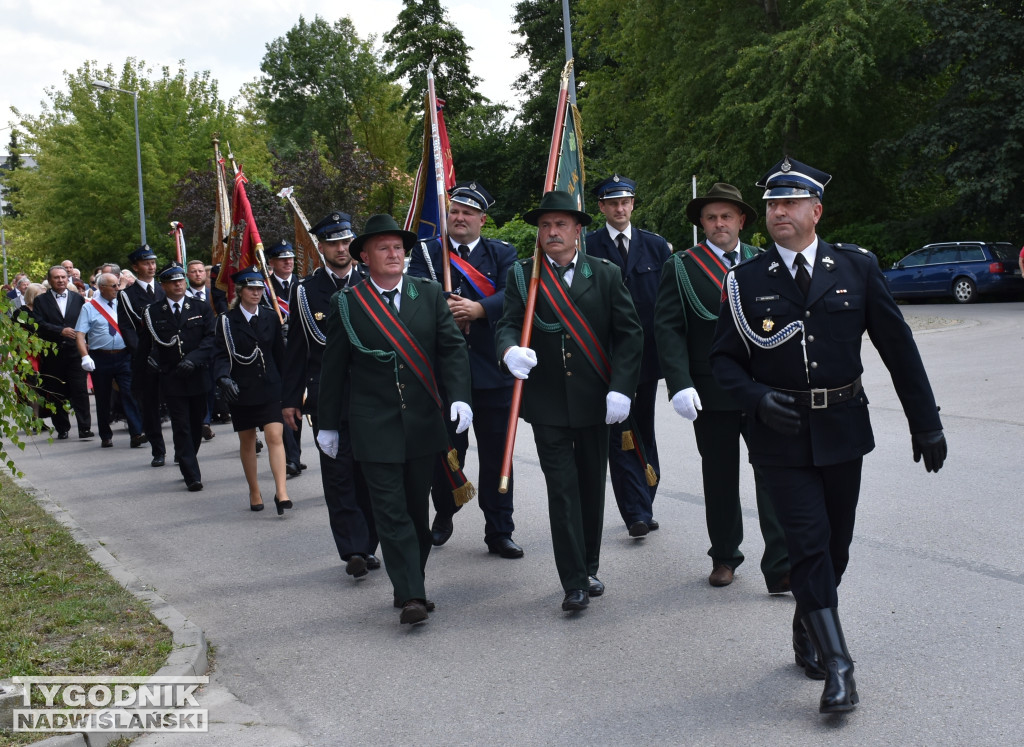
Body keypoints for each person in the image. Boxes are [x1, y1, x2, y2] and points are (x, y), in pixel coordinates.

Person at [709, 157, 948, 714]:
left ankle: (807, 624)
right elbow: (723, 361)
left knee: (835, 547)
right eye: (771, 205)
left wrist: (926, 421)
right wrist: (755, 398)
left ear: (816, 210)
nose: (778, 213)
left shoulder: (857, 268)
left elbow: (898, 349)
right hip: (779, 436)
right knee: (809, 545)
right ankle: (839, 667)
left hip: (843, 429)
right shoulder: (745, 280)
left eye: (790, 203)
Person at [317, 214, 473, 625]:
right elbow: (333, 367)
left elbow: (452, 349)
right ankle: (411, 595)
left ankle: (410, 581)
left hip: (423, 422)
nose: (394, 254)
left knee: (416, 512)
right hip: (373, 425)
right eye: (384, 247)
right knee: (390, 511)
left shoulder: (430, 293)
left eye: (399, 247)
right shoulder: (347, 304)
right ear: (364, 256)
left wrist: (459, 397)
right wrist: (327, 423)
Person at [495, 190, 643, 612]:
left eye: (561, 225)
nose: (552, 232)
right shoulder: (524, 276)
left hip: (596, 398)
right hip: (547, 403)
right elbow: (507, 324)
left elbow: (630, 334)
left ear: (579, 230)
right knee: (562, 490)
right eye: (545, 226)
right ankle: (574, 581)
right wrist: (509, 352)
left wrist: (622, 386)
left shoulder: (606, 273)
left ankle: (589, 564)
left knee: (591, 487)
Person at [654, 183, 790, 591]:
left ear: (742, 221)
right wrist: (679, 383)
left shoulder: (763, 261)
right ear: (702, 223)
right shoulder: (681, 266)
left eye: (726, 216)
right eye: (711, 217)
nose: (719, 224)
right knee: (719, 476)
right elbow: (668, 328)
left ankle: (781, 563)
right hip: (710, 391)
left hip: (761, 389)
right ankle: (725, 556)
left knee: (772, 472)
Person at [407, 181, 523, 558]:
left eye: (468, 213)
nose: (459, 218)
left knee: (496, 457)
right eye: (454, 211)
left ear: (482, 220)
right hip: (443, 377)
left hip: (493, 374)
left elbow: (514, 293)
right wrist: (449, 310)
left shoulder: (502, 253)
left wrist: (478, 310)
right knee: (445, 453)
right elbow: (413, 292)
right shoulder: (425, 253)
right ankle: (445, 512)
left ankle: (499, 530)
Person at [283, 210, 380, 578]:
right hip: (328, 399)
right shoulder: (306, 291)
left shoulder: (372, 283)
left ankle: (369, 544)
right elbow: (296, 349)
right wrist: (289, 400)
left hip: (372, 397)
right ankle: (353, 549)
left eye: (346, 242)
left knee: (370, 475)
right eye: (333, 243)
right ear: (320, 247)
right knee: (338, 475)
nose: (341, 249)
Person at [585, 175, 670, 537]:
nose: (620, 209)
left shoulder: (656, 247)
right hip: (606, 358)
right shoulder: (586, 247)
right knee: (620, 432)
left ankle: (645, 496)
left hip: (647, 357)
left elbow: (668, 306)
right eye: (612, 203)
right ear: (601, 207)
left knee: (643, 428)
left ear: (633, 204)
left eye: (626, 202)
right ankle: (635, 510)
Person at [213, 267, 293, 514]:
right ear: (240, 291)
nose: (257, 293)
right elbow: (219, 355)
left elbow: (280, 355)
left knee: (274, 437)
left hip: (270, 386)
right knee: (247, 441)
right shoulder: (227, 320)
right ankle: (254, 489)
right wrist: (223, 378)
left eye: (260, 289)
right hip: (243, 389)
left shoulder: (271, 316)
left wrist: (290, 387)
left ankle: (281, 492)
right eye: (251, 289)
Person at [138, 264, 217, 492]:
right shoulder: (153, 312)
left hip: (197, 374)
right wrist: (144, 373)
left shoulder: (200, 307)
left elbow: (210, 339)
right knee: (180, 425)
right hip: (171, 377)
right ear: (163, 285)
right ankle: (191, 473)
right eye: (173, 281)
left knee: (195, 423)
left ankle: (187, 454)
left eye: (181, 280)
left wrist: (193, 359)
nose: (178, 284)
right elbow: (146, 345)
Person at [74, 272, 145, 449]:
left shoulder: (123, 303)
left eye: (118, 285)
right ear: (101, 287)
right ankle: (106, 435)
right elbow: (80, 335)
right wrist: (85, 356)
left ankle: (136, 433)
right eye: (113, 286)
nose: (117, 289)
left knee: (129, 393)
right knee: (103, 398)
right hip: (101, 357)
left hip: (124, 355)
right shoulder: (89, 308)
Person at [30, 266, 94, 439]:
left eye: (63, 277)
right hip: (53, 354)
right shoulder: (41, 301)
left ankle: (84, 427)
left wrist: (86, 342)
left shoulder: (77, 299)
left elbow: (85, 322)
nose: (60, 280)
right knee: (56, 392)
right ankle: (62, 428)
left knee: (80, 390)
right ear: (50, 281)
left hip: (75, 351)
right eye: (56, 277)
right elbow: (39, 324)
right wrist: (60, 331)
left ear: (68, 279)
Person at [120, 245, 167, 466]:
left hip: (169, 356)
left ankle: (184, 448)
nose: (151, 267)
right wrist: (144, 354)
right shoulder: (128, 296)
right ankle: (158, 450)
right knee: (150, 408)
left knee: (177, 406)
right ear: (135, 267)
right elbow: (129, 328)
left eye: (153, 262)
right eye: (146, 263)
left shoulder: (165, 289)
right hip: (146, 360)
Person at [263, 240, 303, 476]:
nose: (288, 262)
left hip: (299, 353)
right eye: (282, 259)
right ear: (272, 263)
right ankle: (293, 457)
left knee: (297, 404)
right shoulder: (266, 288)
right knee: (284, 405)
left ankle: (294, 453)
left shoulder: (302, 285)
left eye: (290, 258)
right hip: (277, 354)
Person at [186, 258, 220, 441]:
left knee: (210, 386)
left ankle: (205, 421)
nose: (198, 274)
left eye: (200, 271)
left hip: (213, 348)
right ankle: (199, 419)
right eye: (193, 271)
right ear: (187, 275)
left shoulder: (212, 295)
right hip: (193, 349)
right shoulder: (184, 297)